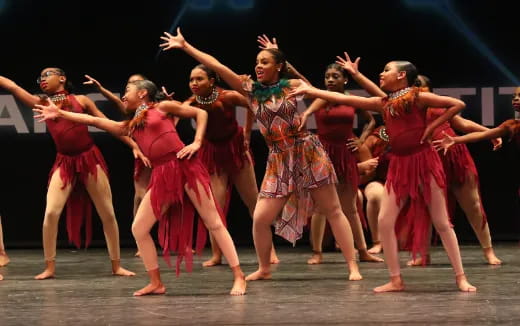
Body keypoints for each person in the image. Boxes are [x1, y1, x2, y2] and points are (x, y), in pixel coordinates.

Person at [160, 28, 363, 281]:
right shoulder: (250, 90)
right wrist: (186, 46)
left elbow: (320, 93)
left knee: (333, 209)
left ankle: (352, 266)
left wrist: (307, 109)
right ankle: (264, 267)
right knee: (260, 218)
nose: (258, 66)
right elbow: (217, 65)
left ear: (278, 66)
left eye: (265, 62)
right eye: (257, 62)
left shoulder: (293, 86)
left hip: (306, 152)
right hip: (278, 158)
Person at [34, 79, 247, 296]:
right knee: (139, 228)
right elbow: (92, 120)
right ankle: (156, 282)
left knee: (214, 222)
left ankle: (239, 276)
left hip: (184, 166)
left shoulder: (162, 107)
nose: (124, 96)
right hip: (162, 175)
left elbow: (200, 114)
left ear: (143, 93)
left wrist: (197, 141)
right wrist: (61, 114)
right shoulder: (129, 126)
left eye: (128, 91)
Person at [289, 56, 476, 292]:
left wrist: (431, 127)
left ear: (401, 75)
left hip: (423, 161)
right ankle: (396, 279)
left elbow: (457, 105)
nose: (382, 73)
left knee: (441, 222)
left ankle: (460, 277)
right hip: (399, 164)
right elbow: (341, 96)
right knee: (385, 221)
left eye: (387, 70)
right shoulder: (385, 103)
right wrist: (313, 89)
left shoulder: (418, 97)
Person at [0, 69, 138, 280]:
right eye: (40, 77)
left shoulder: (81, 100)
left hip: (89, 158)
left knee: (108, 214)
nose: (42, 79)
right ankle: (49, 267)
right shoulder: (43, 103)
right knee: (51, 213)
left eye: (47, 75)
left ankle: (116, 265)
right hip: (64, 162)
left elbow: (108, 124)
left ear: (62, 78)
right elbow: (12, 87)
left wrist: (134, 147)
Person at [184, 64, 279, 266]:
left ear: (211, 81)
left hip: (235, 150)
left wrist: (247, 131)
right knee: (214, 207)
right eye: (191, 79)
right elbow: (174, 115)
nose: (194, 83)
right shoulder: (193, 102)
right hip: (213, 154)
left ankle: (270, 252)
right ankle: (217, 254)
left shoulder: (227, 96)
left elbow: (252, 104)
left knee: (254, 202)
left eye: (199, 79)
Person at [404, 75, 502, 266]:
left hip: (454, 158)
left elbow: (463, 124)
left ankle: (488, 251)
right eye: (412, 86)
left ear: (430, 90)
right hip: (426, 162)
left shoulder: (439, 106)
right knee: (423, 209)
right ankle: (423, 255)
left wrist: (491, 134)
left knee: (473, 205)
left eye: (420, 86)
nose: (416, 89)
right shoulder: (406, 110)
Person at [298, 63, 382, 264]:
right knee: (320, 206)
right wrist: (283, 60)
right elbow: (300, 79)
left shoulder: (350, 99)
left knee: (351, 207)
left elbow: (371, 121)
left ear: (345, 80)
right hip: (323, 153)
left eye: (335, 76)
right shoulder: (319, 97)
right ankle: (317, 252)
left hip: (345, 153)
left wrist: (361, 140)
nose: (330, 80)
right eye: (327, 76)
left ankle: (362, 251)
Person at [83, 73, 175, 257]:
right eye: (128, 85)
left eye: (133, 85)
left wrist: (173, 109)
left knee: (167, 201)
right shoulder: (132, 111)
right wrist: (136, 148)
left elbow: (172, 127)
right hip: (142, 155)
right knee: (141, 197)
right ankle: (142, 240)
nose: (127, 91)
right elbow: (111, 116)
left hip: (162, 157)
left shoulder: (156, 108)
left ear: (143, 91)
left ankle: (173, 241)